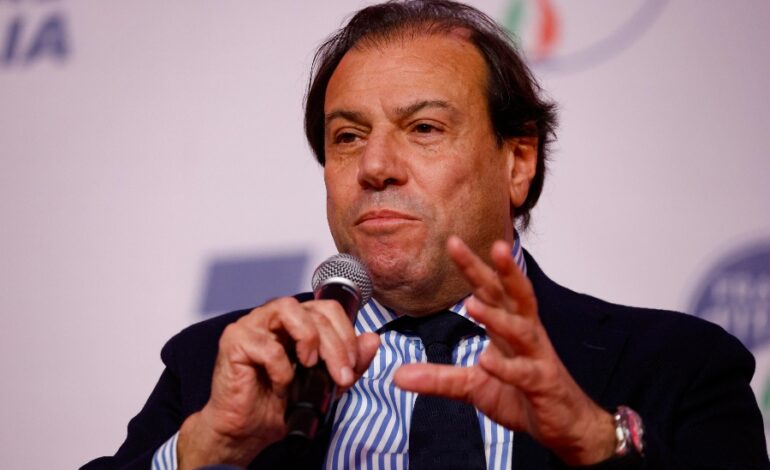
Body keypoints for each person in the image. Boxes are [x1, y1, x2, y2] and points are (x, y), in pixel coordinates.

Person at [83, 1, 769, 469]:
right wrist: (204, 449)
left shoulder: (679, 367)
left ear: (517, 161)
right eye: (347, 137)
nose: (375, 166)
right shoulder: (215, 367)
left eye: (424, 128)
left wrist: (597, 441)